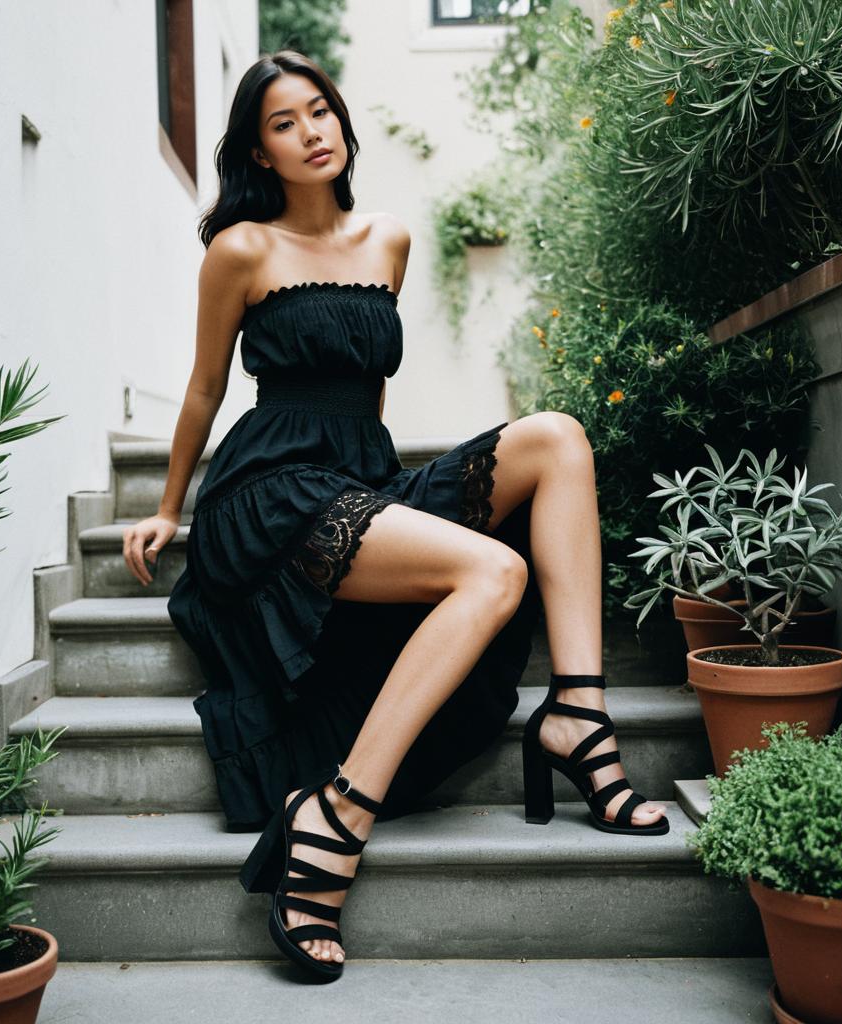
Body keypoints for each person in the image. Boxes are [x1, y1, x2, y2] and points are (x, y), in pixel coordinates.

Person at [122, 50, 668, 983]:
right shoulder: (241, 249)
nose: (312, 131)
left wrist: (391, 503)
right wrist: (170, 509)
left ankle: (579, 712)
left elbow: (366, 389)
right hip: (271, 494)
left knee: (561, 441)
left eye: (320, 109)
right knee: (496, 573)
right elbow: (207, 387)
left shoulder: (390, 240)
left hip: (358, 485)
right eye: (284, 123)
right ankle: (336, 816)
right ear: (260, 152)